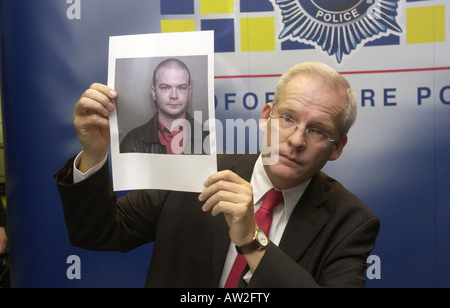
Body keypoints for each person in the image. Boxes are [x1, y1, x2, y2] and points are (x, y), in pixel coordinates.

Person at [55, 61, 380, 287]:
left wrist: (253, 241)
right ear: (266, 117)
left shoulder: (351, 221)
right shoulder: (195, 168)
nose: (296, 140)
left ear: (337, 148)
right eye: (288, 118)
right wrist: (95, 154)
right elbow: (96, 232)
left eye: (319, 131)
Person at [119, 58, 208, 154]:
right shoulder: (133, 142)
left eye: (181, 88)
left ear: (189, 93)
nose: (174, 96)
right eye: (165, 87)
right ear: (154, 92)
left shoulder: (209, 138)